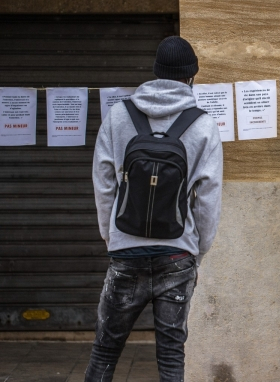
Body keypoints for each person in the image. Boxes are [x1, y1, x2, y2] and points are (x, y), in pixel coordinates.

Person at [86, 36, 223, 381]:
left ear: (155, 73)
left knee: (105, 349)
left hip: (125, 253)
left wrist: (110, 235)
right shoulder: (203, 124)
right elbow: (208, 196)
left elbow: (103, 180)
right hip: (177, 255)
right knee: (171, 355)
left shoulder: (119, 115)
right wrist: (198, 251)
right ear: (190, 76)